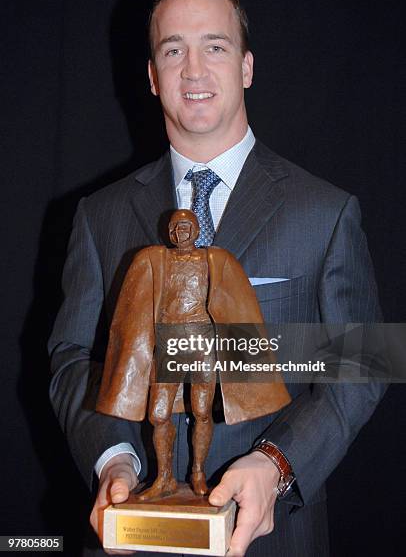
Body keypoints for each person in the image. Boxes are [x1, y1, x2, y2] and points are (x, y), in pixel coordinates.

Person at [49, 0, 384, 556]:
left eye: (215, 47)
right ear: (153, 77)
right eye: (173, 49)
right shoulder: (97, 216)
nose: (194, 70)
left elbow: (364, 360)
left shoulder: (326, 211)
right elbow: (73, 358)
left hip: (270, 538)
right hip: (131, 535)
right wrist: (114, 460)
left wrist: (277, 463)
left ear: (247, 67)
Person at [95, 208, 291, 502]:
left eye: (186, 227)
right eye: (176, 227)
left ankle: (197, 473)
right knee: (158, 414)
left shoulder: (213, 260)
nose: (180, 233)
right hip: (169, 343)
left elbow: (235, 304)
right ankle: (164, 478)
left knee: (202, 411)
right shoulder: (155, 259)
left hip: (201, 344)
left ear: (196, 230)